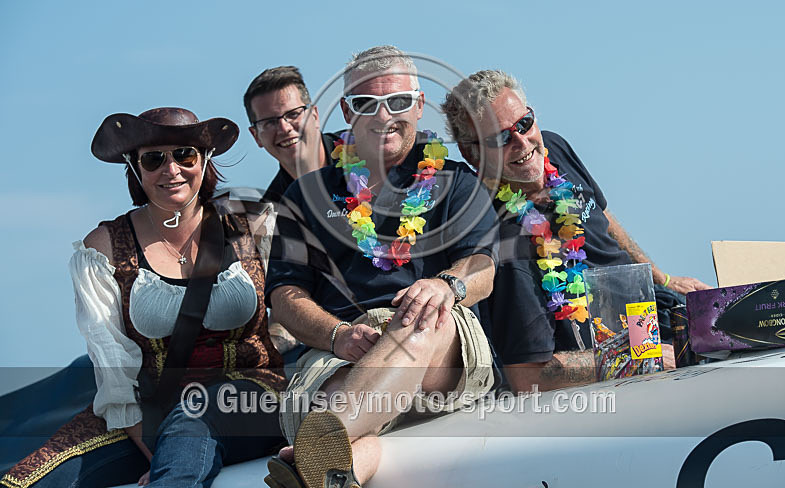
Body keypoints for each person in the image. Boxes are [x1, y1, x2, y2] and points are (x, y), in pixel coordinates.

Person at [2, 108, 286, 487]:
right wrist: (161, 454)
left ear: (205, 159)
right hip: (145, 415)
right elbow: (114, 371)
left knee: (193, 418)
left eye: (184, 154)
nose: (171, 170)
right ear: (135, 169)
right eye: (154, 159)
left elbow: (293, 299)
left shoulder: (254, 223)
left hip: (252, 394)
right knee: (30, 482)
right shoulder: (102, 248)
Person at [263, 46, 497, 487]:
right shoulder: (305, 195)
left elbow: (482, 266)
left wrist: (446, 285)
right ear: (348, 111)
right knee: (347, 426)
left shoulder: (457, 182)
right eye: (367, 104)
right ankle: (326, 471)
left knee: (421, 314)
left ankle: (313, 448)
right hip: (341, 351)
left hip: (438, 348)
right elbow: (285, 295)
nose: (384, 115)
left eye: (398, 101)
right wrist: (336, 334)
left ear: (420, 104)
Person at [441, 70, 712, 394]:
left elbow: (604, 217)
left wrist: (662, 277)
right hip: (631, 365)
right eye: (501, 138)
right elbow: (527, 377)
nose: (522, 142)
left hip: (661, 314)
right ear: (472, 153)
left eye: (524, 124)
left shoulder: (552, 146)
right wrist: (642, 356)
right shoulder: (508, 241)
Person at [244, 65, 338, 203]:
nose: (284, 128)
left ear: (315, 116)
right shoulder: (271, 215)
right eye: (269, 122)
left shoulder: (367, 152)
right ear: (256, 136)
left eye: (293, 114)